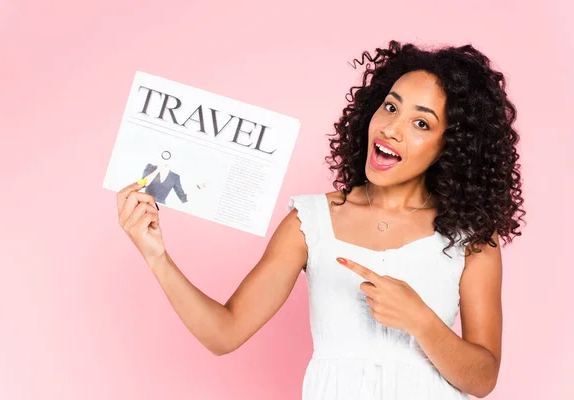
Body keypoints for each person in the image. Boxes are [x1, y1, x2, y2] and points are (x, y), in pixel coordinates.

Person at [116, 40, 525, 399]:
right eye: (390, 107)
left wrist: (421, 321)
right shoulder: (310, 222)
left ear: (450, 146)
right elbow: (223, 334)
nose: (392, 129)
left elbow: (483, 378)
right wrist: (156, 255)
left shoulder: (471, 239)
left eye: (421, 123)